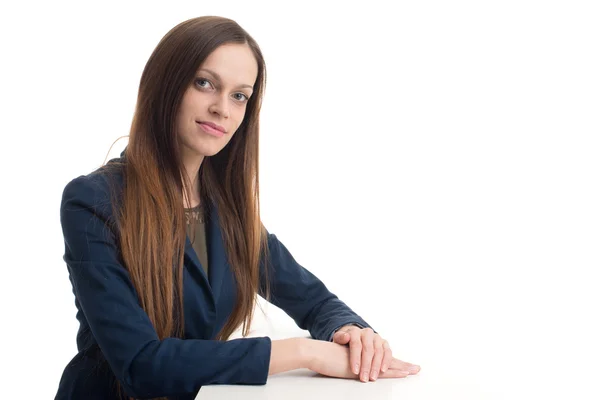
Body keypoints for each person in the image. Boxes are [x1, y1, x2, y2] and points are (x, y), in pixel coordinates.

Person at [54, 16, 420, 400]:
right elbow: (142, 365)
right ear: (165, 83)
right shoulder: (92, 202)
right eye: (204, 83)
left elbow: (314, 300)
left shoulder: (225, 211)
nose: (222, 109)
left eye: (239, 95)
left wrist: (354, 333)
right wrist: (303, 351)